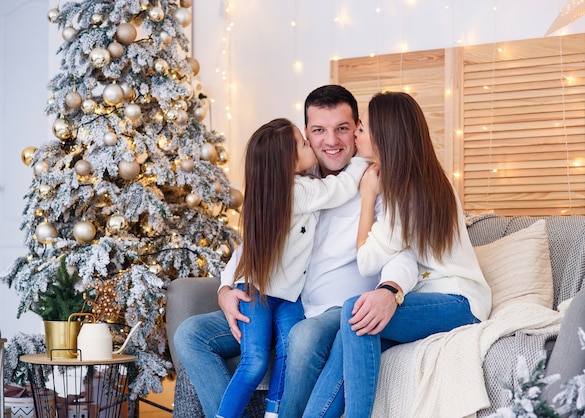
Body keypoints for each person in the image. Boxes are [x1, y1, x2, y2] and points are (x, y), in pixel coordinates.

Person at [173, 85, 417, 417]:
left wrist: (391, 290)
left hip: (326, 310)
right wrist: (226, 289)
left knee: (299, 339)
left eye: (342, 128)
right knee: (190, 334)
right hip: (274, 298)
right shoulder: (295, 180)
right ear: (306, 135)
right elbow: (256, 241)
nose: (331, 140)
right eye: (318, 131)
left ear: (358, 130)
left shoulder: (376, 184)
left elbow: (401, 249)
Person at [302, 91, 492, 417]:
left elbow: (366, 261)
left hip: (459, 301)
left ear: (383, 137)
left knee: (355, 311)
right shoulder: (418, 180)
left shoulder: (407, 194)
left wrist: (367, 196)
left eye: (362, 129)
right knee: (349, 339)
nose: (356, 134)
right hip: (432, 298)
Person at [214, 118, 368, 418]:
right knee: (255, 361)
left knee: (290, 349)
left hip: (289, 294)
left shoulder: (280, 188)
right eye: (303, 142)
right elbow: (344, 187)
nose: (312, 144)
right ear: (287, 161)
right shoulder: (297, 191)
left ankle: (275, 413)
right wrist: (363, 158)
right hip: (256, 292)